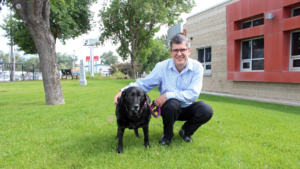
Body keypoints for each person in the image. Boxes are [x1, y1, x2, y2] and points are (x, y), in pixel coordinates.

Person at [113, 34, 213, 146]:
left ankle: (186, 131)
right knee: (172, 104)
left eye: (182, 50)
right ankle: (167, 136)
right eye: (175, 50)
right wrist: (123, 90)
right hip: (169, 109)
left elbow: (193, 94)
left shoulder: (197, 67)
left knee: (206, 110)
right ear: (171, 52)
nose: (179, 54)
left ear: (188, 51)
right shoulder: (161, 67)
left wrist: (166, 95)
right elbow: (144, 84)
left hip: (187, 107)